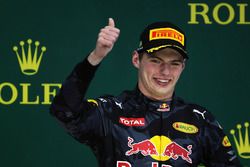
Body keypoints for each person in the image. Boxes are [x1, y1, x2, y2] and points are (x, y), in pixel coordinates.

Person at [50, 18, 242, 167]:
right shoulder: (110, 112)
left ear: (183, 67)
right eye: (156, 60)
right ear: (136, 60)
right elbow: (63, 110)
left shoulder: (199, 120)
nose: (165, 72)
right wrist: (95, 57)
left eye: (174, 63)